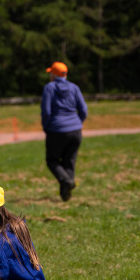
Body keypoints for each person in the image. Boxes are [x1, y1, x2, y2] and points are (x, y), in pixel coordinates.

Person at [41, 62, 88, 202]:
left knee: (52, 160)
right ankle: (66, 195)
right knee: (69, 161)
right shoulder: (74, 88)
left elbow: (46, 111)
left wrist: (47, 126)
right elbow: (84, 110)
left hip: (56, 130)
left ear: (54, 74)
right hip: (75, 131)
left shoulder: (49, 88)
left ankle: (66, 181)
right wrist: (77, 123)